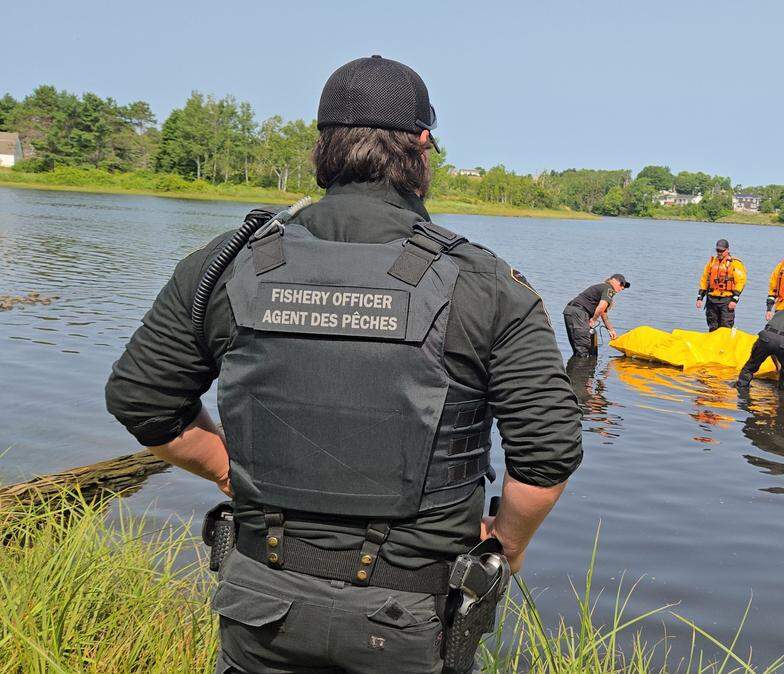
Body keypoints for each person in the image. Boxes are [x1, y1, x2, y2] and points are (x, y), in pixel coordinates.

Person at [104, 56, 583, 673]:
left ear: (322, 147)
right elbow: (547, 451)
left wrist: (229, 472)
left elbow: (140, 400)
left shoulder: (226, 265)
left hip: (261, 603)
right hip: (412, 615)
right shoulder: (484, 282)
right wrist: (508, 545)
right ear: (422, 145)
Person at [563, 274, 629, 358]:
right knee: (583, 349)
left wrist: (611, 330)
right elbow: (601, 307)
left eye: (624, 287)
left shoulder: (603, 288)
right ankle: (581, 369)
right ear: (613, 280)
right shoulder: (609, 289)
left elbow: (603, 313)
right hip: (579, 313)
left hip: (569, 311)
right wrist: (593, 320)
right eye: (621, 284)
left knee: (577, 348)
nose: (622, 288)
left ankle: (573, 370)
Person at [695, 238, 747, 331]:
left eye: (721, 251)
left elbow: (741, 282)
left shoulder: (735, 263)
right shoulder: (711, 263)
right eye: (717, 250)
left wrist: (734, 300)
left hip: (726, 299)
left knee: (725, 326)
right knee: (712, 325)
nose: (719, 253)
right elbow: (704, 280)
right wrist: (700, 298)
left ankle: (725, 344)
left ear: (727, 250)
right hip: (711, 299)